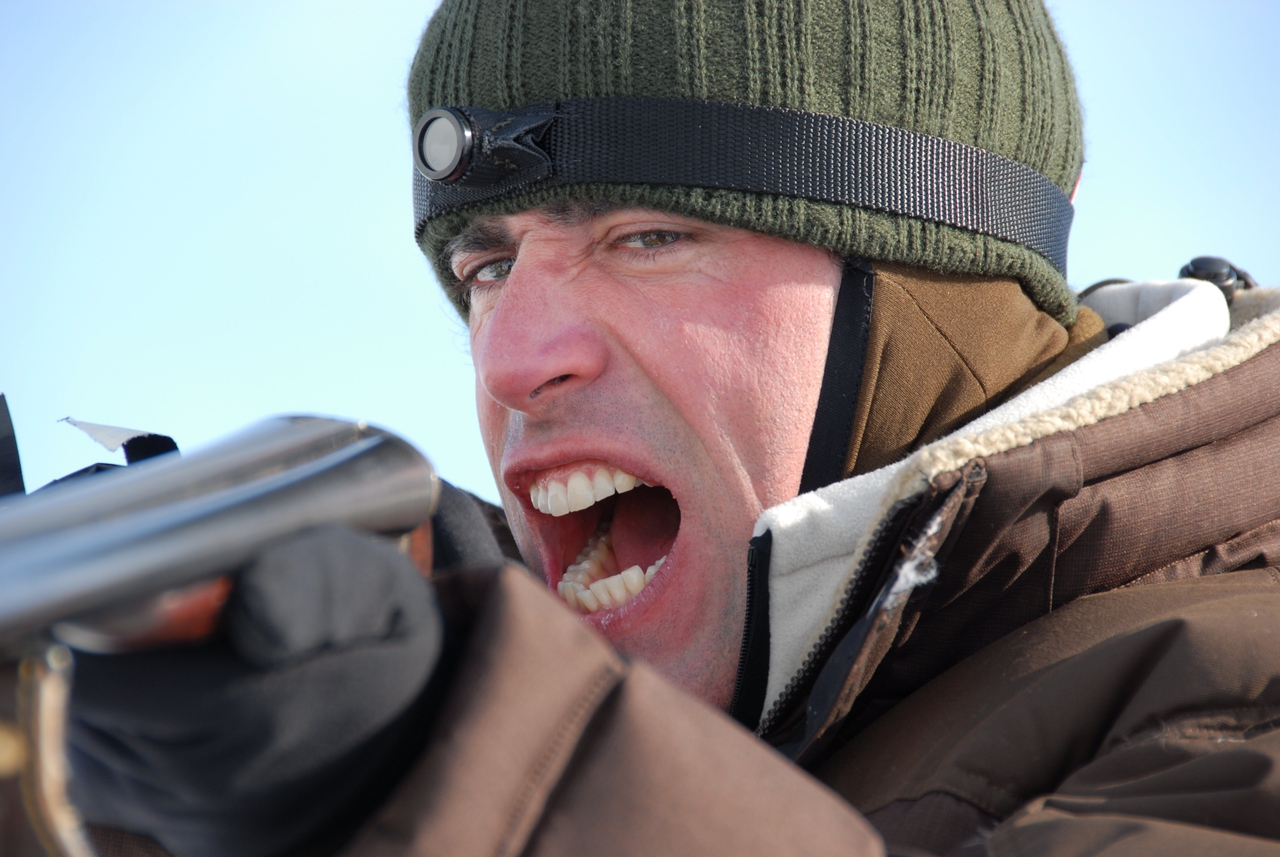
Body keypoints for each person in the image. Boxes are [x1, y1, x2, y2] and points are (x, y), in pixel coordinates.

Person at [61, 0, 1280, 855]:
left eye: (650, 236)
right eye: (484, 267)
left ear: (927, 279)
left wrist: (472, 769)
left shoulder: (1239, 697)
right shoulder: (746, 678)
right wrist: (119, 768)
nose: (514, 359)